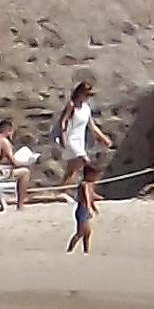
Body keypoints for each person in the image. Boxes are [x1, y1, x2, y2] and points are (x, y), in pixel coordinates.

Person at [55, 80, 107, 253]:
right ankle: (81, 190)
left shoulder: (86, 108)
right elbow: (63, 121)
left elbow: (91, 126)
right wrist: (62, 137)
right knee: (84, 162)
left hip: (80, 139)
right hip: (71, 139)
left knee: (72, 168)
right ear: (79, 93)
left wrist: (102, 137)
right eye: (86, 94)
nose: (87, 98)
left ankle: (64, 189)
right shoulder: (72, 105)